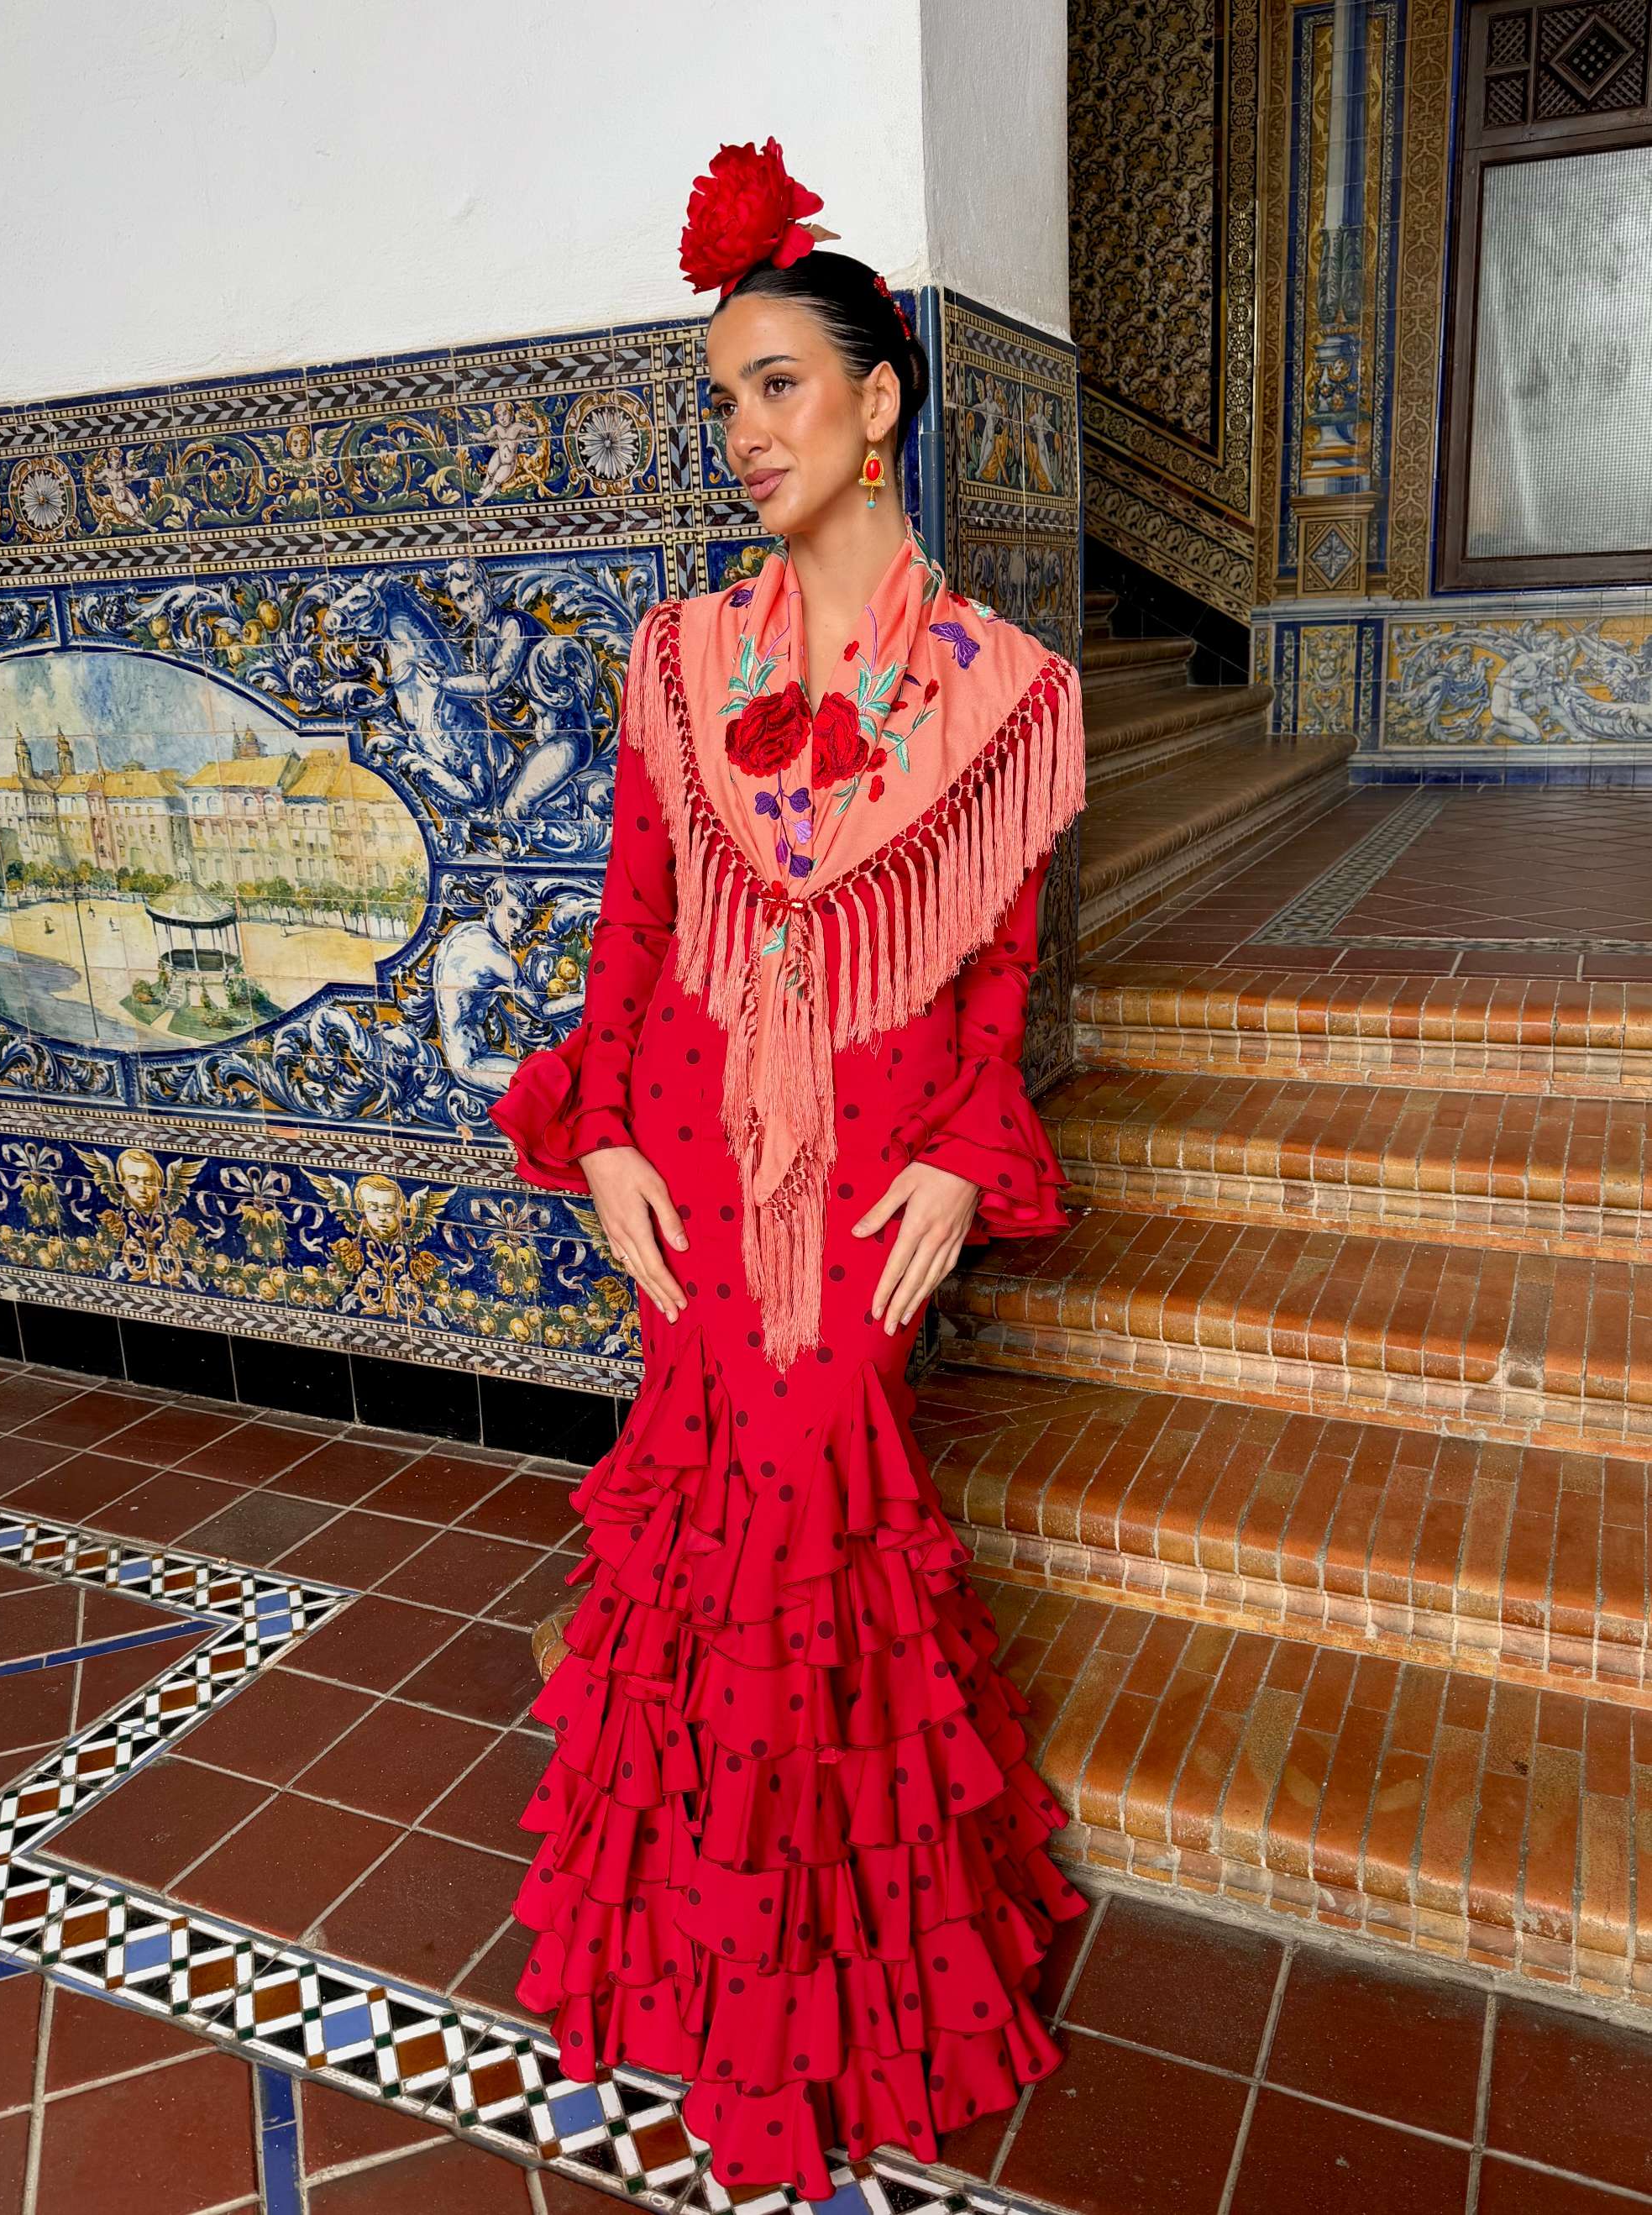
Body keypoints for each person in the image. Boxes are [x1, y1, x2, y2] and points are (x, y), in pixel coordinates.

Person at [488, 136, 1090, 2200]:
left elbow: (997, 979)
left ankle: (818, 2027)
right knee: (686, 1560)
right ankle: (646, 1978)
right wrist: (609, 1144)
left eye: (776, 385)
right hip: (687, 1191)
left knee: (816, 1558)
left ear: (879, 396)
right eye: (721, 396)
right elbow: (630, 935)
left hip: (867, 1198)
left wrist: (955, 1167)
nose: (742, 431)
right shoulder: (678, 660)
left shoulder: (1005, 698)